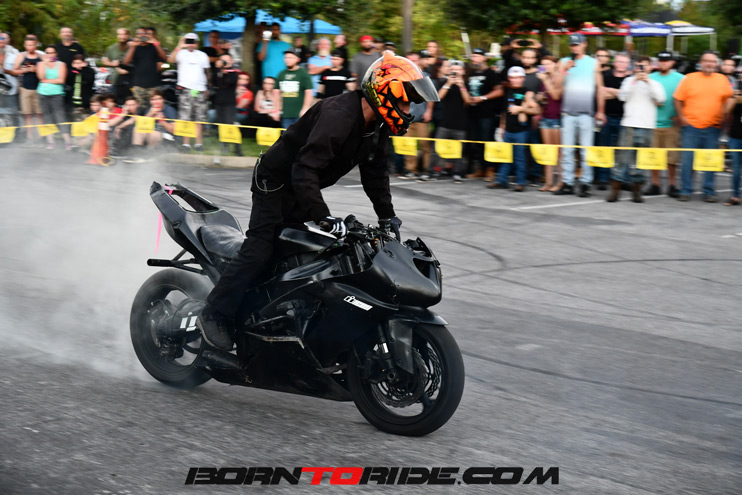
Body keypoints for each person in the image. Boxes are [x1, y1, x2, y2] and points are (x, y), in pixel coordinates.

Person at [196, 51, 439, 351]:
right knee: (261, 247)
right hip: (275, 183)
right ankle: (215, 312)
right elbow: (304, 168)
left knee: (305, 252)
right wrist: (322, 215)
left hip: (302, 186)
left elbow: (375, 173)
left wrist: (387, 216)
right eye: (405, 101)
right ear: (385, 93)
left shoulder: (376, 125)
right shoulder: (339, 115)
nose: (408, 110)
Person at [674, 51, 735, 202]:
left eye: (712, 61)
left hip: (713, 127)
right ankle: (685, 190)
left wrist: (725, 117)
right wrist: (682, 117)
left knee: (710, 160)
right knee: (687, 160)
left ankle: (708, 191)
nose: (709, 64)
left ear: (716, 64)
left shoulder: (722, 79)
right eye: (706, 61)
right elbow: (677, 99)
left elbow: (729, 98)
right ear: (700, 63)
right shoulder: (689, 78)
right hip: (690, 127)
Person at [606, 56, 666, 203]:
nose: (641, 69)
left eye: (644, 66)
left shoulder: (655, 83)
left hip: (647, 126)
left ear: (650, 67)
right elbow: (622, 97)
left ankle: (637, 191)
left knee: (642, 161)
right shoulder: (628, 81)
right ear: (634, 67)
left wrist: (647, 82)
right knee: (622, 159)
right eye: (639, 66)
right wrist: (635, 81)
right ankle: (615, 191)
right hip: (629, 124)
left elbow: (661, 99)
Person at [554, 33, 606, 197]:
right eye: (572, 45)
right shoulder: (563, 62)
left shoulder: (593, 63)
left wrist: (600, 110)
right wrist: (563, 70)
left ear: (584, 44)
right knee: (567, 151)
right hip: (568, 113)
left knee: (586, 151)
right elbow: (556, 85)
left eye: (577, 44)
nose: (574, 48)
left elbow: (600, 88)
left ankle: (585, 182)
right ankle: (567, 182)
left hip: (586, 114)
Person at [491, 66, 540, 191]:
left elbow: (537, 110)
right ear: (509, 78)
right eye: (513, 77)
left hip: (521, 131)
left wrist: (521, 109)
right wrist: (502, 127)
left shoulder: (527, 92)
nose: (516, 80)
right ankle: (501, 180)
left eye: (518, 77)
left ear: (523, 78)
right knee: (505, 157)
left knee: (520, 158)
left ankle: (521, 182)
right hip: (508, 130)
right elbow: (504, 111)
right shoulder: (508, 91)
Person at [646, 51, 685, 197]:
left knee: (672, 158)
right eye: (661, 60)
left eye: (666, 61)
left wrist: (681, 115)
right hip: (652, 123)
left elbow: (687, 98)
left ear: (672, 62)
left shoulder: (681, 79)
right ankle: (655, 184)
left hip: (671, 124)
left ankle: (672, 185)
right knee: (653, 156)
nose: (663, 63)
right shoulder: (650, 77)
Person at [168, 33, 210, 152]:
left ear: (197, 43)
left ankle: (198, 143)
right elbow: (170, 60)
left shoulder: (202, 55)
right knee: (185, 117)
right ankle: (186, 144)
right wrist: (179, 45)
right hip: (185, 88)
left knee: (199, 118)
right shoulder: (181, 53)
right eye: (188, 41)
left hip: (200, 89)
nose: (191, 44)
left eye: (193, 41)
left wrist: (207, 86)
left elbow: (207, 71)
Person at [465, 48, 503, 179]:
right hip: (472, 113)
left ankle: (491, 169)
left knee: (487, 141)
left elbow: (499, 91)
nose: (474, 59)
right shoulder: (471, 74)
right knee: (477, 142)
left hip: (487, 114)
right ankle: (481, 168)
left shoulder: (491, 73)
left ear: (484, 58)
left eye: (477, 56)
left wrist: (483, 98)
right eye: (473, 56)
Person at [430, 59, 470, 183]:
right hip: (445, 123)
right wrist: (448, 84)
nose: (455, 72)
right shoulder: (445, 83)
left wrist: (462, 86)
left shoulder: (466, 84)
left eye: (458, 70)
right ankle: (434, 170)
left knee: (459, 150)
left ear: (463, 71)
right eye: (453, 70)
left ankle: (457, 173)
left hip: (460, 124)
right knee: (437, 149)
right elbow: (438, 97)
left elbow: (468, 101)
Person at [598, 52, 631, 189]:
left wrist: (611, 91)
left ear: (628, 64)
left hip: (625, 118)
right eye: (619, 61)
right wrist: (620, 93)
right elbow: (601, 94)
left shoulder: (631, 79)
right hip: (606, 116)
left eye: (624, 62)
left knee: (624, 150)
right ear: (614, 63)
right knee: (604, 148)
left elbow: (629, 96)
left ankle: (623, 179)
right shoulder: (605, 76)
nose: (622, 64)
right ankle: (603, 179)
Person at [36, 45, 72, 150]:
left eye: (52, 53)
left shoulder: (61, 64)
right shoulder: (41, 64)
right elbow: (41, 77)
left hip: (56, 94)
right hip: (43, 93)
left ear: (56, 54)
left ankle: (68, 142)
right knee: (47, 117)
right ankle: (50, 142)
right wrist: (45, 64)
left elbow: (61, 80)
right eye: (48, 53)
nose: (50, 55)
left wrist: (47, 81)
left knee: (60, 117)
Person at [123, 27, 167, 110]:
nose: (141, 35)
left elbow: (164, 58)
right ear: (136, 35)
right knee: (139, 110)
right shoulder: (134, 47)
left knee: (156, 109)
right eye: (139, 33)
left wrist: (156, 43)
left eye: (144, 33)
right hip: (138, 85)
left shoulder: (154, 46)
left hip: (154, 85)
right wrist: (133, 46)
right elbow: (125, 62)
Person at [536, 55, 563, 191]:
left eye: (548, 64)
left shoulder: (560, 78)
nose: (545, 67)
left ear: (555, 64)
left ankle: (560, 182)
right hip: (545, 117)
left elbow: (556, 96)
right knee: (548, 152)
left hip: (557, 118)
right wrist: (539, 97)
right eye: (543, 64)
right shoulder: (543, 79)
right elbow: (542, 97)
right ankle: (548, 182)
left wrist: (546, 80)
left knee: (559, 153)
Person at [212, 53, 242, 156]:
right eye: (223, 60)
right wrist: (218, 69)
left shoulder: (234, 72)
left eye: (227, 60)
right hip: (219, 102)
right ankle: (224, 146)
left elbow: (229, 82)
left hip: (230, 103)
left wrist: (224, 72)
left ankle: (237, 148)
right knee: (222, 125)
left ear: (232, 61)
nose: (225, 62)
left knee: (231, 125)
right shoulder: (218, 72)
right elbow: (214, 82)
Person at [276, 48, 313, 129]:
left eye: (291, 57)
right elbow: (276, 92)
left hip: (299, 114)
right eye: (286, 57)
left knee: (299, 134)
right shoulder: (281, 74)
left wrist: (305, 108)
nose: (287, 60)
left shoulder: (303, 74)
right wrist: (276, 109)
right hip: (285, 114)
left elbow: (308, 92)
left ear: (298, 59)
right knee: (286, 134)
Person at [102, 28, 133, 104]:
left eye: (124, 34)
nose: (121, 36)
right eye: (119, 34)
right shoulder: (112, 48)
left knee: (131, 105)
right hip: (115, 81)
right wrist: (112, 64)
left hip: (132, 82)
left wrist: (128, 71)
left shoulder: (133, 48)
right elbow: (104, 60)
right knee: (115, 104)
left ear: (128, 35)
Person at [725, 81, 742, 205]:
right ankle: (735, 196)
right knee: (736, 168)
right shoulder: (737, 96)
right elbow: (726, 112)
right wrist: (734, 99)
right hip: (735, 137)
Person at [65, 54, 95, 121]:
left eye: (79, 63)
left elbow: (89, 81)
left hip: (85, 100)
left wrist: (82, 69)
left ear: (84, 63)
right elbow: (68, 80)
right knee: (73, 120)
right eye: (75, 63)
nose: (77, 65)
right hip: (72, 100)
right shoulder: (71, 70)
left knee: (85, 120)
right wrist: (74, 69)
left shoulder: (89, 71)